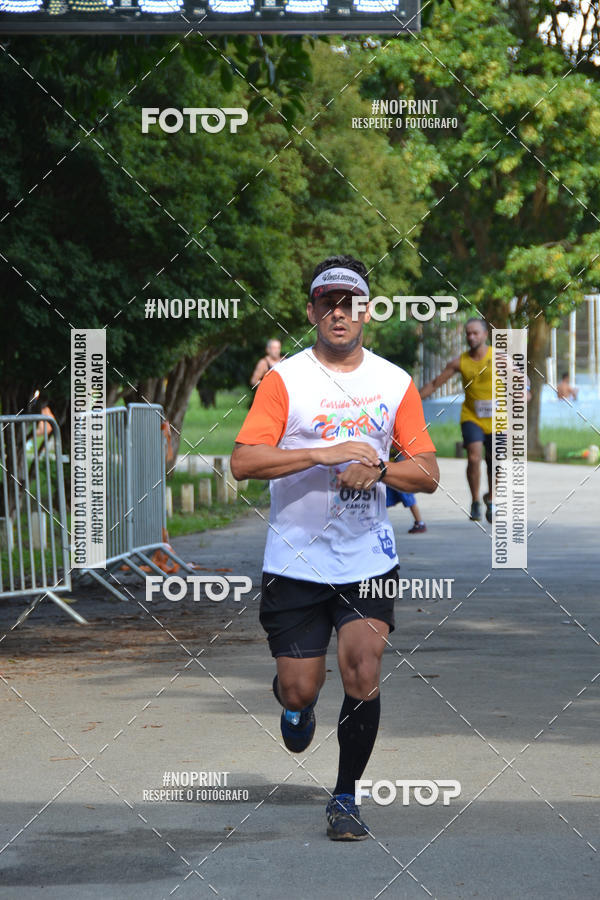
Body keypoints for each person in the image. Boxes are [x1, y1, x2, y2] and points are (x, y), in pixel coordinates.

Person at [230, 254, 438, 841]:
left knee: (362, 671)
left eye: (351, 303)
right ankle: (293, 704)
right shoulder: (285, 380)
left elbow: (426, 472)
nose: (339, 313)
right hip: (294, 560)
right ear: (311, 311)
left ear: (366, 311)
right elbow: (244, 461)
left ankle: (345, 796)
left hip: (367, 557)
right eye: (328, 303)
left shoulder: (393, 382)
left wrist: (378, 470)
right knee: (301, 687)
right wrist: (322, 453)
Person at [419, 318, 494, 523]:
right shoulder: (460, 362)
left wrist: (525, 391)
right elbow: (434, 384)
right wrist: (412, 399)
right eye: (468, 333)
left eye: (475, 333)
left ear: (485, 335)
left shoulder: (498, 358)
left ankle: (491, 498)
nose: (471, 337)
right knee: (474, 457)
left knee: (494, 462)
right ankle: (476, 501)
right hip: (471, 417)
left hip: (498, 420)